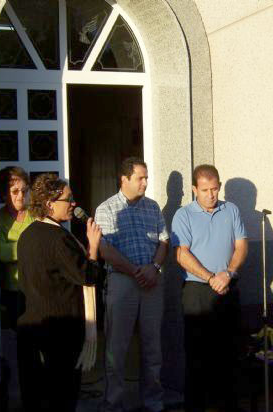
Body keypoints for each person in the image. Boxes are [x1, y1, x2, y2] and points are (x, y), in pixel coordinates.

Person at [17, 173, 102, 412]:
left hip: (33, 327)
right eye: (68, 199)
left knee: (35, 397)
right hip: (59, 332)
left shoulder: (27, 235)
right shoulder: (58, 239)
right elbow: (88, 276)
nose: (74, 203)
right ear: (49, 204)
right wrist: (93, 247)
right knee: (61, 397)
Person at [171, 164, 248, 412]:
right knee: (197, 356)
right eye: (205, 190)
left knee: (230, 353)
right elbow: (181, 254)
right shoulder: (183, 215)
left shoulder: (231, 210)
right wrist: (211, 277)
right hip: (197, 293)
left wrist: (229, 273)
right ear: (194, 189)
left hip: (227, 288)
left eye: (214, 189)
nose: (211, 195)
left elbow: (241, 246)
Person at [95, 157, 169, 412]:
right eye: (140, 178)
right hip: (122, 282)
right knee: (117, 346)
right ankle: (113, 404)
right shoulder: (106, 209)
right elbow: (104, 248)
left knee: (152, 347)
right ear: (124, 179)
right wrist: (136, 271)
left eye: (147, 177)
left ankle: (153, 402)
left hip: (152, 281)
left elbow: (164, 242)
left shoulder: (153, 207)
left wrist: (155, 268)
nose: (146, 183)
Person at [0, 166, 34, 329]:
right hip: (14, 290)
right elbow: (2, 252)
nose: (21, 196)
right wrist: (31, 245)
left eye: (24, 191)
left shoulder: (35, 214)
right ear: (4, 194)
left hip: (37, 285)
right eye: (15, 191)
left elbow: (45, 246)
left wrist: (14, 247)